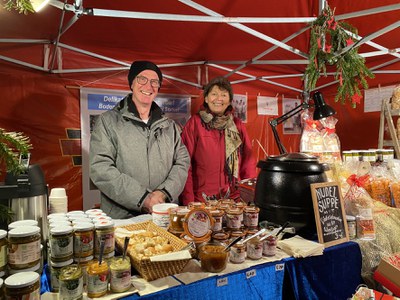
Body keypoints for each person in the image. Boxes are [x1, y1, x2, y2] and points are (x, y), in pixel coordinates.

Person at [89, 60, 190, 219]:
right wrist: (143, 198)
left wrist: (163, 193)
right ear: (131, 83)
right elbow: (101, 168)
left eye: (154, 82)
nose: (148, 86)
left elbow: (182, 161)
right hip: (123, 219)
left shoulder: (169, 126)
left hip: (163, 215)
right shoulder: (108, 122)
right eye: (142, 79)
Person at [179, 77, 256, 205]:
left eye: (224, 95)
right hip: (202, 200)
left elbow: (248, 163)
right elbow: (185, 165)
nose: (219, 99)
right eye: (214, 94)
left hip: (233, 200)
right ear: (206, 98)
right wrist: (188, 202)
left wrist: (250, 198)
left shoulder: (237, 125)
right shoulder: (195, 123)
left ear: (230, 100)